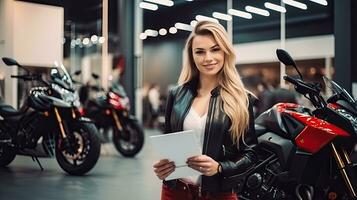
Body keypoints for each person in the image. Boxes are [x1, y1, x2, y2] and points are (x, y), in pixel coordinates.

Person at [152, 21, 257, 200]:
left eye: (215, 49)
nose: (208, 58)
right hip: (176, 190)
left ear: (225, 52)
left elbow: (251, 154)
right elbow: (169, 141)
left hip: (219, 193)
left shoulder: (240, 99)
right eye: (200, 52)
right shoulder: (176, 95)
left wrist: (220, 167)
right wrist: (164, 167)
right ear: (192, 56)